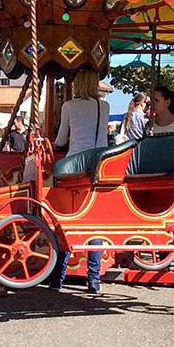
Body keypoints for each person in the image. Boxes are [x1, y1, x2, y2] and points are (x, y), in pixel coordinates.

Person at [51, 68, 109, 295]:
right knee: (94, 224)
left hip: (73, 166)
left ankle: (58, 277)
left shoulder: (69, 106)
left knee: (65, 221)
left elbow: (61, 139)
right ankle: (93, 280)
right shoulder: (103, 107)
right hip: (97, 166)